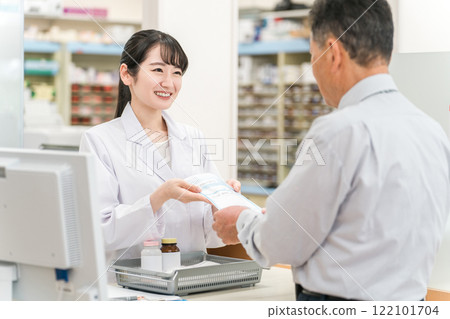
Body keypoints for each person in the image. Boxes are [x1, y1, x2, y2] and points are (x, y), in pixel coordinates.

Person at [212, 0, 450, 301]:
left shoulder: (338, 130)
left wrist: (241, 221)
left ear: (333, 53)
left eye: (313, 56)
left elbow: (281, 242)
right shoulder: (432, 130)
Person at [80, 29, 239, 269]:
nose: (169, 82)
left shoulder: (192, 137)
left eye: (177, 72)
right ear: (126, 74)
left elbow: (210, 233)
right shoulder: (99, 140)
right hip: (131, 284)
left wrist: (221, 201)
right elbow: (100, 230)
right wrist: (158, 198)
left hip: (191, 277)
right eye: (157, 70)